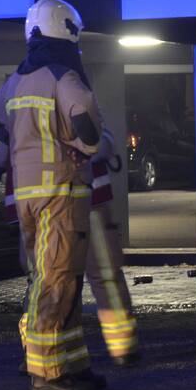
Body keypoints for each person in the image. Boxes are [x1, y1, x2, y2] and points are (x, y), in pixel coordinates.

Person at [0, 0, 108, 390]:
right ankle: (50, 375)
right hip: (61, 192)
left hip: (29, 199)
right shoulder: (62, 75)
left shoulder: (16, 80)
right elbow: (87, 126)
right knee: (58, 281)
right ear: (66, 29)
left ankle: (70, 362)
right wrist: (87, 146)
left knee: (47, 277)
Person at [83, 134, 140, 366]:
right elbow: (103, 143)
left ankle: (43, 354)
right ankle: (123, 346)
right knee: (105, 274)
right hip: (89, 203)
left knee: (48, 281)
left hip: (56, 207)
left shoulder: (20, 104)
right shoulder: (76, 99)